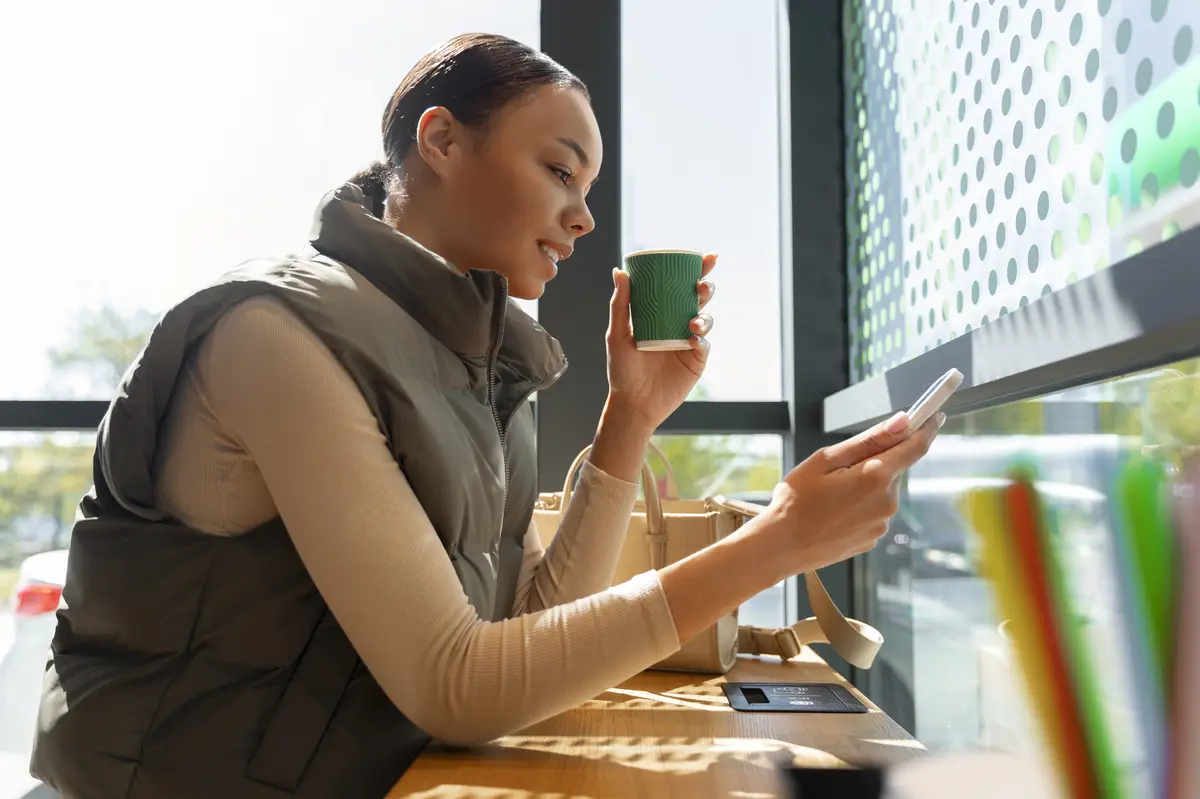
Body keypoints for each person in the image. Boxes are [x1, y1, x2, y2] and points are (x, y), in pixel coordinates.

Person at [31, 32, 941, 799]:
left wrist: (630, 416)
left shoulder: (476, 359)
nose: (583, 218)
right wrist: (774, 544)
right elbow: (458, 685)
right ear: (441, 139)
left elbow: (528, 622)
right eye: (560, 170)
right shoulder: (272, 334)